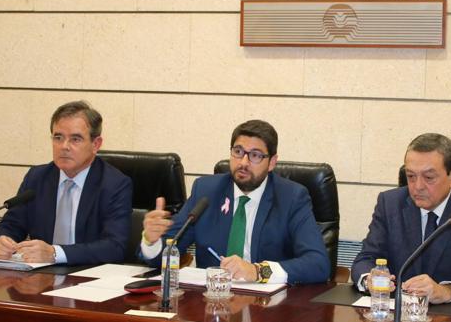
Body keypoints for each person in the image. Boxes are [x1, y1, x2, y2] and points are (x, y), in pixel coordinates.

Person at [140, 119, 330, 284]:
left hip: (267, 307)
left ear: (272, 162)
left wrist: (257, 271)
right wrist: (152, 240)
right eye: (238, 151)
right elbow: (165, 256)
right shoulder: (206, 192)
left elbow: (318, 264)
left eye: (255, 155)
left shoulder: (292, 197)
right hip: (211, 304)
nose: (243, 163)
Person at [350, 133, 451, 303]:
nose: (418, 186)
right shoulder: (390, 203)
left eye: (429, 177)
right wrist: (369, 279)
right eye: (411, 176)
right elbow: (365, 259)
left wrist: (447, 291)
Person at [0, 101, 132, 265]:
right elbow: (11, 224)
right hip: (38, 278)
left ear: (95, 144)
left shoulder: (114, 184)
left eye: (75, 139)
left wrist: (55, 253)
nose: (64, 146)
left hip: (87, 278)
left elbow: (114, 247)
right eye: (58, 137)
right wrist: (0, 244)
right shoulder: (37, 178)